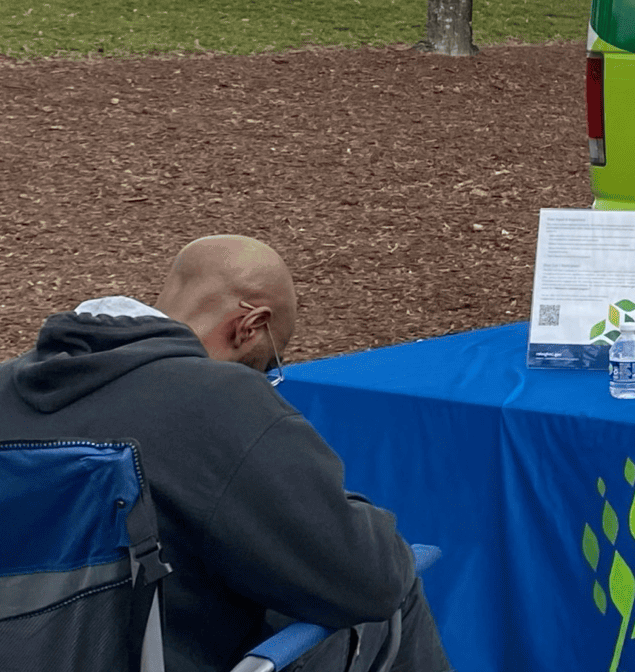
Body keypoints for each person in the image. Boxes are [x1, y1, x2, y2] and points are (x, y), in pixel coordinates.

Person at [0, 235, 449, 672]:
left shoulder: (7, 388)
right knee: (396, 593)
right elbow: (369, 579)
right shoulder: (219, 402)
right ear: (249, 326)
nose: (266, 376)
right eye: (269, 362)